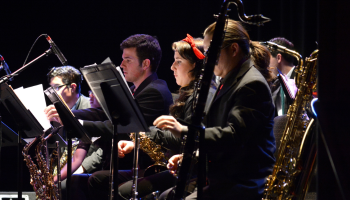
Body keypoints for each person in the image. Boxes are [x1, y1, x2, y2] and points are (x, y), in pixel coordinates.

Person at [156, 19, 276, 199]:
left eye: (212, 51)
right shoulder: (230, 80)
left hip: (245, 182)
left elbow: (234, 136)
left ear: (234, 49)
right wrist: (194, 156)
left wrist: (184, 131)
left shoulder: (251, 84)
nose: (208, 58)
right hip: (227, 177)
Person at [45, 34, 173, 200]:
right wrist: (66, 114)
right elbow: (103, 113)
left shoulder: (154, 92)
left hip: (150, 166)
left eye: (128, 60)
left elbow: (121, 126)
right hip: (131, 162)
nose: (121, 65)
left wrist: (73, 121)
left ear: (146, 64)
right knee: (76, 181)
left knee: (96, 179)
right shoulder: (137, 89)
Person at [116, 34, 205, 199]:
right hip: (180, 165)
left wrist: (144, 133)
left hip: (193, 170)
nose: (172, 67)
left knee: (127, 192)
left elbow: (184, 139)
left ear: (195, 65)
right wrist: (136, 142)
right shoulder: (186, 95)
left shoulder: (198, 98)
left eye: (178, 61)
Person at [47, 66, 105, 200]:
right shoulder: (56, 112)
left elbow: (100, 151)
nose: (52, 93)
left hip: (88, 169)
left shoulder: (91, 108)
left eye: (56, 87)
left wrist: (82, 169)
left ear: (72, 87)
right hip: (69, 167)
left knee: (65, 185)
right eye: (51, 88)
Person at [268, 37, 298, 116]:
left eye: (268, 59)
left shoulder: (302, 80)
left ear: (278, 58)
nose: (266, 65)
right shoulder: (275, 84)